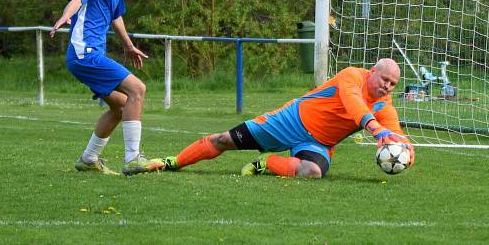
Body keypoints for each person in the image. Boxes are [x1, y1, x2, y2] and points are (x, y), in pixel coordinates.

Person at [163, 58, 414, 178]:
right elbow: (354, 103)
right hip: (290, 121)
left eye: (393, 84)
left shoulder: (384, 104)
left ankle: (266, 163)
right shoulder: (351, 76)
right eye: (385, 80)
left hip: (319, 144)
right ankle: (172, 162)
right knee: (224, 140)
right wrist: (375, 128)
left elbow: (395, 131)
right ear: (372, 72)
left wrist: (406, 149)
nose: (388, 86)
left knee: (313, 172)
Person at [50, 0, 163, 176]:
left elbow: (116, 16)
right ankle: (133, 158)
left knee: (122, 107)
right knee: (138, 89)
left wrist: (128, 45)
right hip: (85, 53)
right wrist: (64, 17)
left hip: (90, 54)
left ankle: (88, 159)